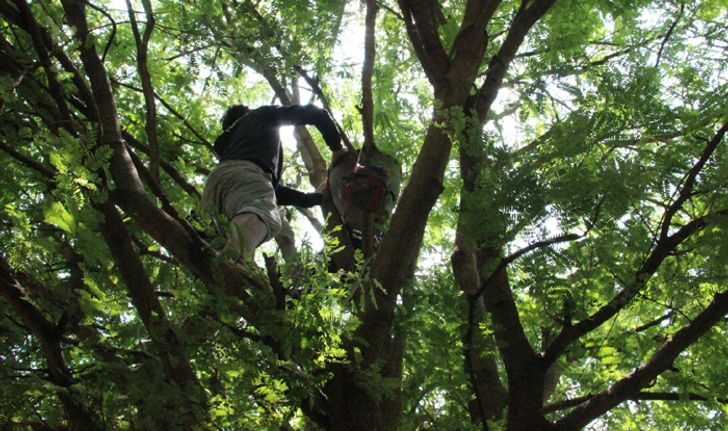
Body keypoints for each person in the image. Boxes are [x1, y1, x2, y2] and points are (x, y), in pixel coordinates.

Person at [201, 104, 347, 256]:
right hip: (247, 173)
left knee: (214, 239)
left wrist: (315, 198)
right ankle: (230, 259)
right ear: (249, 112)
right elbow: (317, 114)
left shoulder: (230, 145)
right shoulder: (261, 115)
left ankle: (218, 262)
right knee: (266, 215)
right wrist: (337, 148)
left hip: (214, 185)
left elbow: (271, 191)